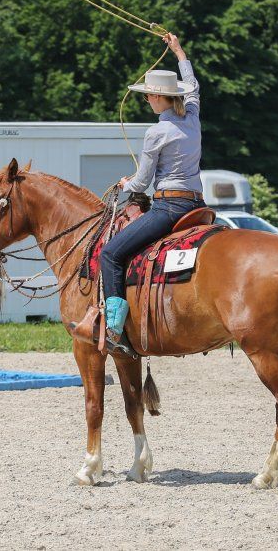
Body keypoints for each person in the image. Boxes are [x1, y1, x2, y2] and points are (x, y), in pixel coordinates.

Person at [99, 33, 206, 356]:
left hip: (169, 207)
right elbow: (193, 85)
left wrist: (125, 184)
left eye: (148, 96)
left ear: (159, 97)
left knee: (110, 254)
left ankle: (115, 329)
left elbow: (143, 181)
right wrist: (178, 50)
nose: (147, 100)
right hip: (197, 204)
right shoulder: (192, 117)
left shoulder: (156, 132)